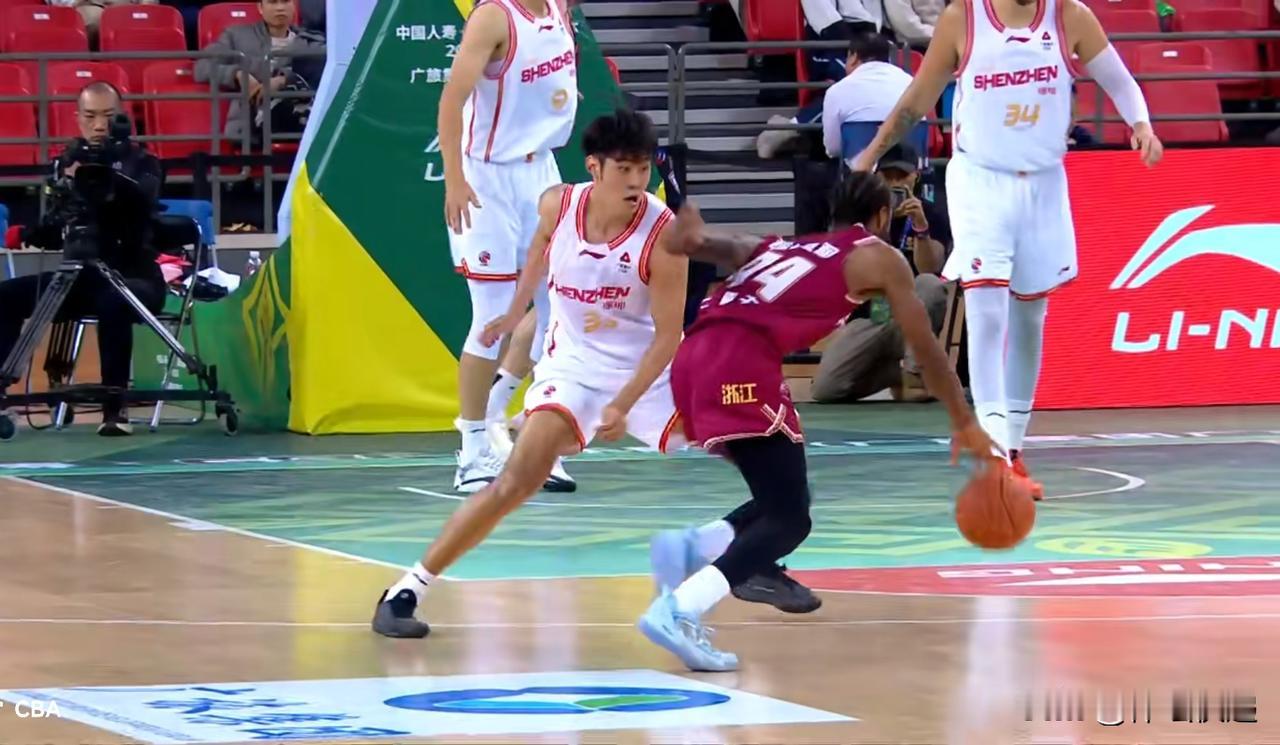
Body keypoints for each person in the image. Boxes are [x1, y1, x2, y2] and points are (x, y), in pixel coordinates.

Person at [637, 171, 998, 672]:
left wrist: (692, 236)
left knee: (786, 494)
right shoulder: (877, 255)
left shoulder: (781, 246)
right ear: (880, 216)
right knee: (790, 519)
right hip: (740, 361)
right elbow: (927, 348)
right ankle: (680, 608)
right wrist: (964, 421)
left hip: (694, 356)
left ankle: (694, 546)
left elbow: (710, 244)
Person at [371, 109, 688, 639]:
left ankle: (760, 550)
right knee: (517, 481)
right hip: (574, 368)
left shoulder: (663, 234)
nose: (636, 181)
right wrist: (516, 310)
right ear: (594, 168)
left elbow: (668, 336)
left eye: (642, 169)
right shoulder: (557, 205)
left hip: (645, 374)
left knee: (743, 443)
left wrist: (624, 403)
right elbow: (539, 249)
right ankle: (407, 590)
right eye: (624, 169)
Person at [849, 0, 1163, 498]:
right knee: (987, 308)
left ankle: (1012, 447)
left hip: (1043, 182)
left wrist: (1140, 124)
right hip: (981, 179)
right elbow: (917, 99)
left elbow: (1120, 80)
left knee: (1030, 315)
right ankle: (993, 453)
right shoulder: (964, 18)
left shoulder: (1069, 16)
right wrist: (870, 154)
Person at [440, 0, 578, 494]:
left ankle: (531, 437)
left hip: (541, 171)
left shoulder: (560, 7)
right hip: (488, 179)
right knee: (492, 317)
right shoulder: (494, 16)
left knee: (560, 313)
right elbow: (452, 100)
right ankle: (472, 450)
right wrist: (454, 179)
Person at [0, 82, 165, 436]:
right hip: (77, 278)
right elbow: (57, 224)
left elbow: (142, 206)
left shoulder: (144, 162)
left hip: (133, 277)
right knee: (5, 296)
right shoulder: (66, 163)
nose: (99, 125)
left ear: (122, 118)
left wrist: (106, 179)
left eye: (108, 116)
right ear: (78, 119)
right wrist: (29, 233)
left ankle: (115, 409)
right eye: (90, 116)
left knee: (112, 301)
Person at [811, 142, 951, 403]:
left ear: (916, 176)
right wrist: (879, 228)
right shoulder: (860, 215)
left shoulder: (929, 213)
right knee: (826, 390)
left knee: (929, 284)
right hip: (870, 316)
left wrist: (920, 229)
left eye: (902, 176)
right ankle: (893, 375)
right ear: (877, 178)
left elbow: (930, 268)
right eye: (888, 176)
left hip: (912, 314)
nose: (895, 183)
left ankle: (914, 375)